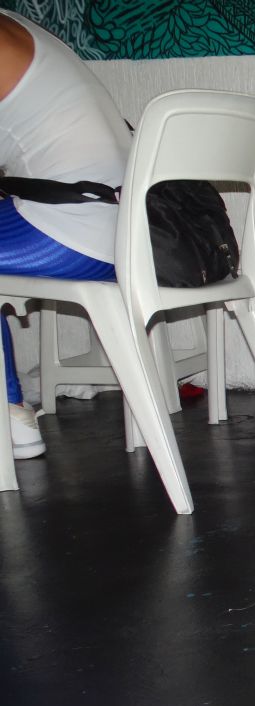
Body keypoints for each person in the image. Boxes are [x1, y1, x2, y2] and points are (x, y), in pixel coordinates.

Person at [0, 10, 131, 459]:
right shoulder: (20, 28)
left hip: (69, 232)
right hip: (122, 235)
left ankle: (9, 410)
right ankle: (10, 413)